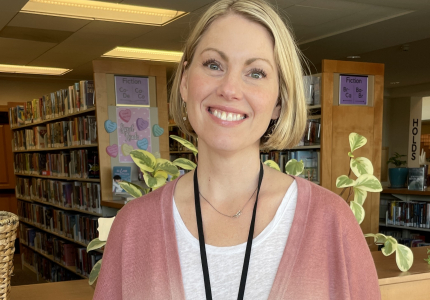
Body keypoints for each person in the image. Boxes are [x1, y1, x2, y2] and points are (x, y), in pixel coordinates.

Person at [94, 0, 381, 299]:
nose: (229, 89)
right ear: (184, 82)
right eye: (214, 65)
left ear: (279, 100)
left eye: (256, 73)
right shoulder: (134, 228)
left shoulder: (332, 222)